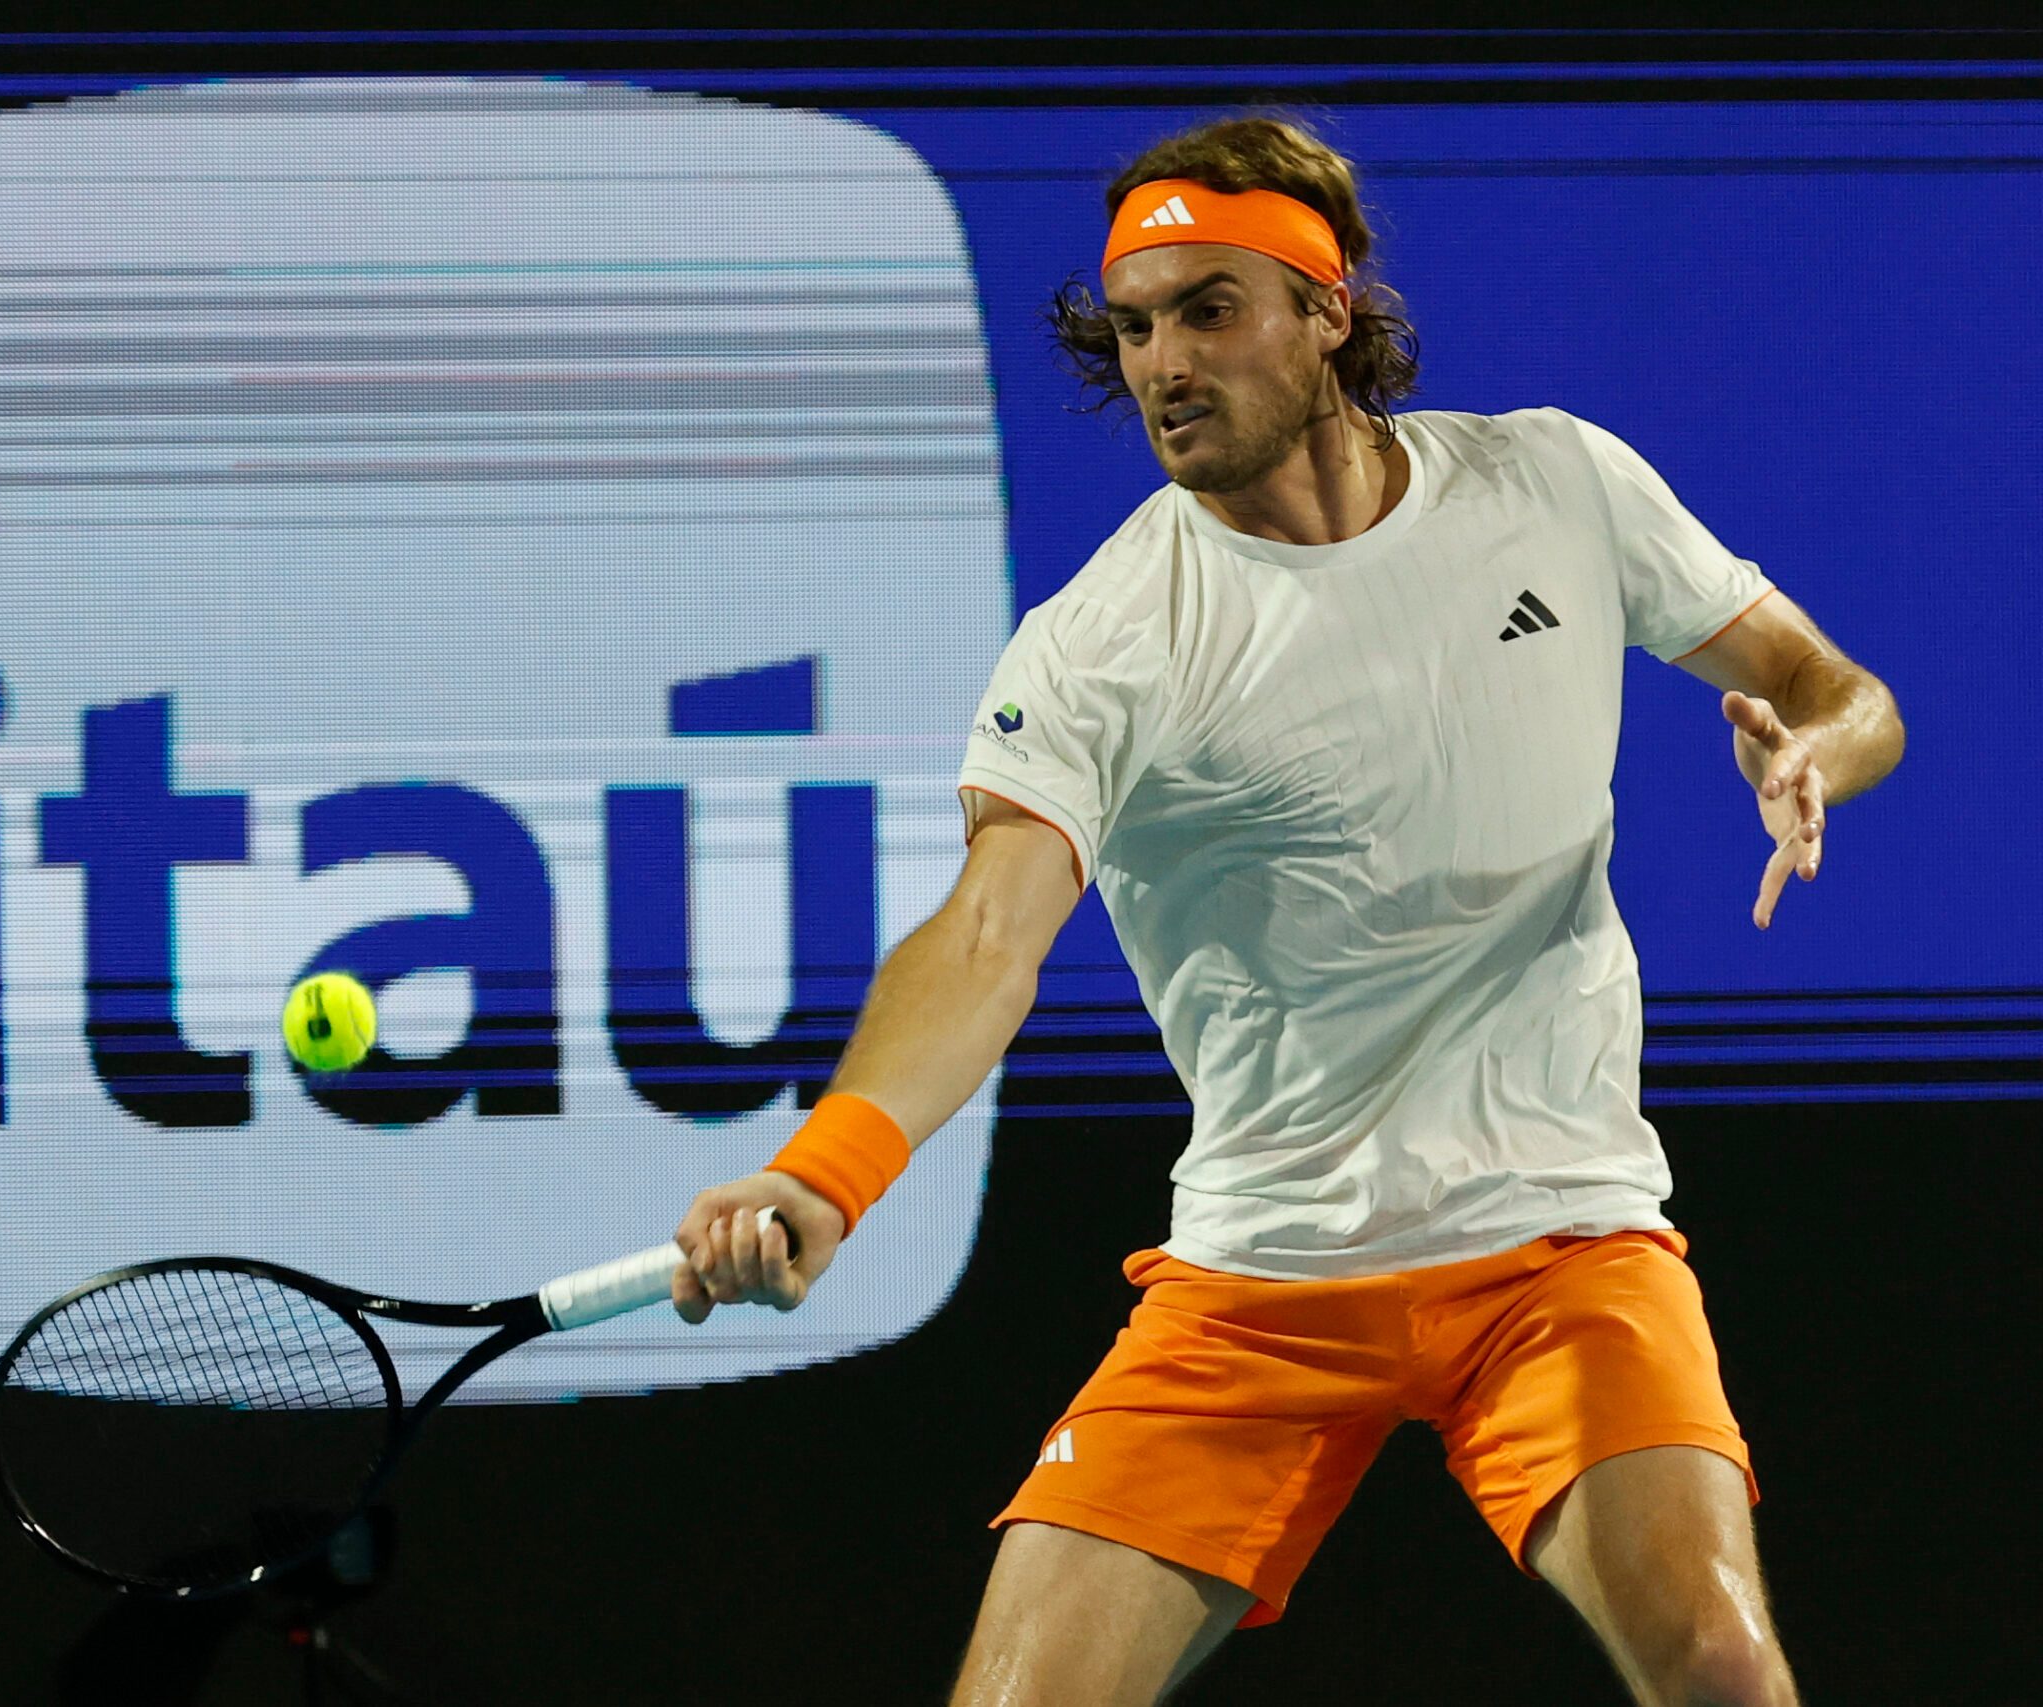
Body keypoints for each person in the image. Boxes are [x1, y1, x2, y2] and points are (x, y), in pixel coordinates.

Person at [667, 114, 1902, 1707]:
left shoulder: (1554, 482)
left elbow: (1835, 688)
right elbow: (988, 934)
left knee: (1725, 1666)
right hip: (1263, 1278)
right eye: (1133, 326)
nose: (1163, 364)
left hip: (1560, 1243)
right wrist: (827, 1170)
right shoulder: (1105, 639)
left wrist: (1818, 752)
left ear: (1327, 312)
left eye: (1209, 309)